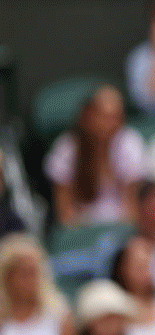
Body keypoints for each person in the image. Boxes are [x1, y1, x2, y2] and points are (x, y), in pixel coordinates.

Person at [44, 84, 147, 227]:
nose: (109, 124)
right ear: (88, 115)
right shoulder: (66, 148)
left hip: (120, 228)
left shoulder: (131, 143)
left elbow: (131, 206)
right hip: (80, 229)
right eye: (103, 117)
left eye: (115, 118)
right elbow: (65, 212)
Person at [0, 235, 74, 335]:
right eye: (24, 274)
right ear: (8, 278)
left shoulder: (59, 315)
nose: (31, 281)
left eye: (34, 273)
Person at [109, 237, 155, 335]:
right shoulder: (113, 307)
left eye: (148, 264)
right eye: (138, 266)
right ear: (122, 268)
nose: (145, 271)